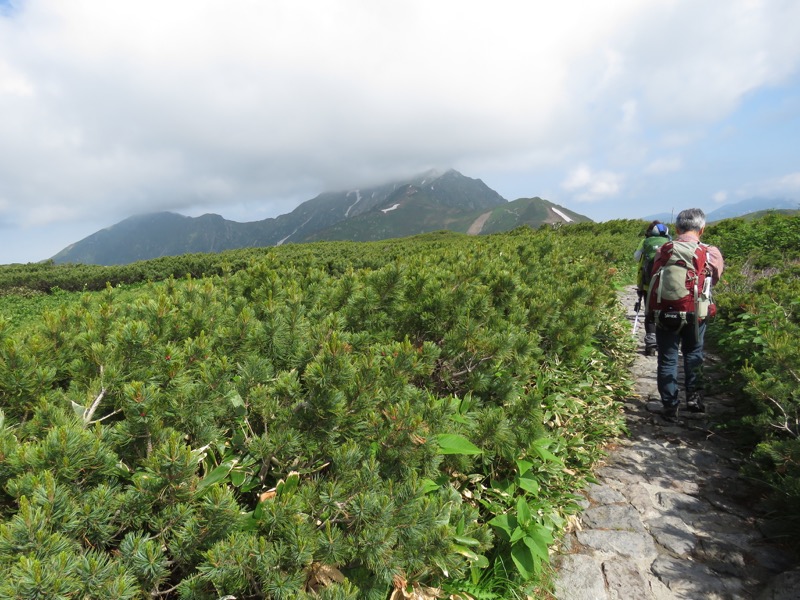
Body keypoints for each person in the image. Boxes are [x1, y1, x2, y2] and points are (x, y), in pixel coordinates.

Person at [647, 208, 724, 423]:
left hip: (665, 311)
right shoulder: (710, 252)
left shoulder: (664, 249)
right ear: (702, 228)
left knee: (667, 358)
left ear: (678, 228)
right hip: (695, 313)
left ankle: (670, 406)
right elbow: (714, 280)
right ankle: (695, 400)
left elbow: (653, 275)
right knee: (694, 353)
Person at [633, 220, 671, 355]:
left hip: (647, 283)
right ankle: (664, 342)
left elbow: (636, 258)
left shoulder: (645, 242)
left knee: (649, 312)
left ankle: (651, 342)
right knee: (664, 311)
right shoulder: (671, 243)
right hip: (666, 285)